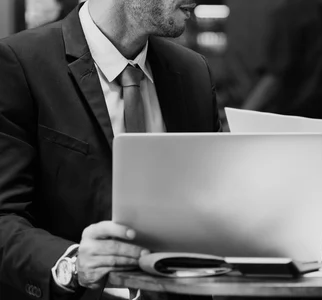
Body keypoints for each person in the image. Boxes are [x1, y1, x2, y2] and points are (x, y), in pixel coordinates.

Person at [0, 0, 221, 299]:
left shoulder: (193, 72)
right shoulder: (19, 63)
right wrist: (74, 263)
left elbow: (212, 205)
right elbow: (4, 216)